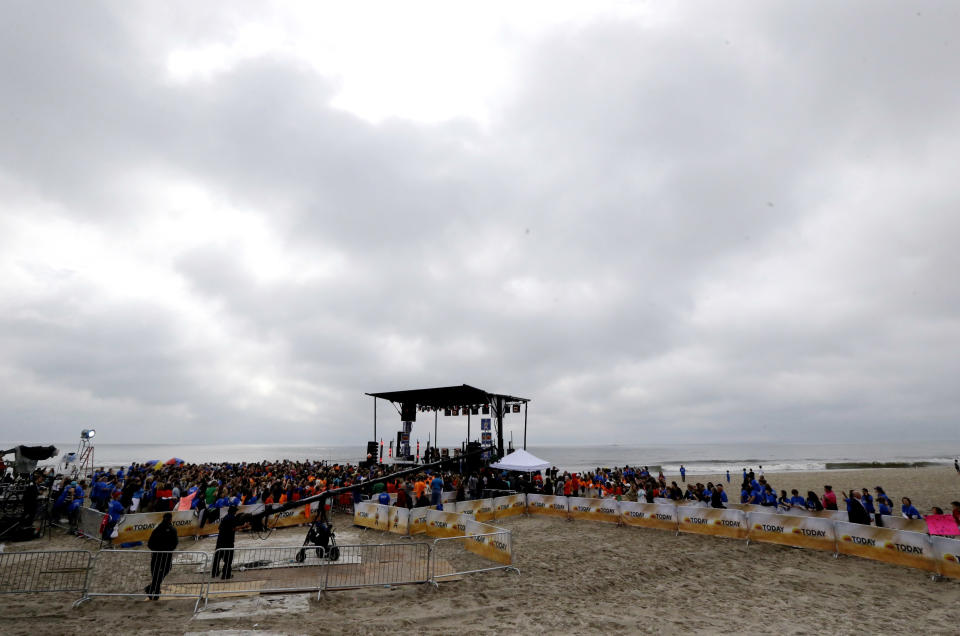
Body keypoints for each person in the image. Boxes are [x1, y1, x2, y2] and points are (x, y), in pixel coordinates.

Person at [145, 512, 178, 600]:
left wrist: (155, 549)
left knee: (155, 573)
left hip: (156, 554)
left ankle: (153, 590)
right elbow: (175, 544)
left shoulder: (157, 529)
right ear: (171, 519)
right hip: (166, 554)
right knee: (166, 569)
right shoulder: (172, 529)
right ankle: (153, 590)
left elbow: (150, 543)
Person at [212, 506, 240, 579]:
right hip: (228, 541)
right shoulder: (232, 518)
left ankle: (214, 573)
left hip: (220, 540)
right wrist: (244, 526)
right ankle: (226, 575)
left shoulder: (225, 518)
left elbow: (219, 528)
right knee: (228, 559)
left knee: (217, 557)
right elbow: (233, 528)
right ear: (234, 512)